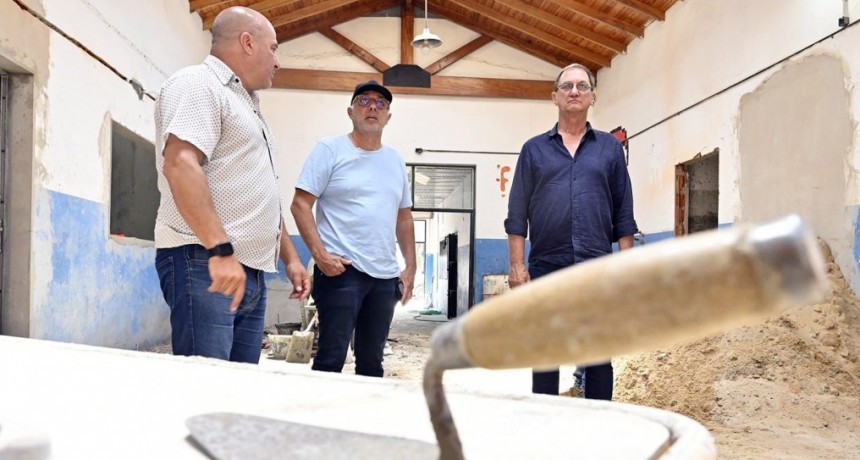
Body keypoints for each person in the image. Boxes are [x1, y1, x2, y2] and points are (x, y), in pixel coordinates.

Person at [153, 6, 310, 364]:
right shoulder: (198, 84)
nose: (278, 61)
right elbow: (180, 164)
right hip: (204, 261)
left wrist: (291, 258)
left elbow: (259, 195)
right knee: (206, 383)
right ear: (247, 43)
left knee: (237, 386)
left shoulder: (247, 105)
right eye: (273, 48)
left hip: (246, 269)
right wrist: (219, 251)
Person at [504, 63, 638, 400]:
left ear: (593, 95)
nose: (574, 91)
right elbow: (517, 212)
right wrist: (517, 265)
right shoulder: (534, 149)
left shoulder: (609, 148)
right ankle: (545, 426)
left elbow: (624, 211)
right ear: (554, 97)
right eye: (567, 87)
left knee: (598, 354)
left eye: (582, 86)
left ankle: (598, 427)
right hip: (547, 263)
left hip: (596, 264)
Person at [291, 80, 416, 378]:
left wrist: (411, 267)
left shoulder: (395, 161)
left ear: (388, 117)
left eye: (381, 103)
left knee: (372, 362)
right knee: (331, 357)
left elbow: (404, 218)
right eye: (364, 101)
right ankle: (320, 424)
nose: (373, 106)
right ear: (350, 111)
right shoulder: (330, 149)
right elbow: (300, 204)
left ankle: (362, 422)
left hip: (385, 278)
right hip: (341, 272)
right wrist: (320, 256)